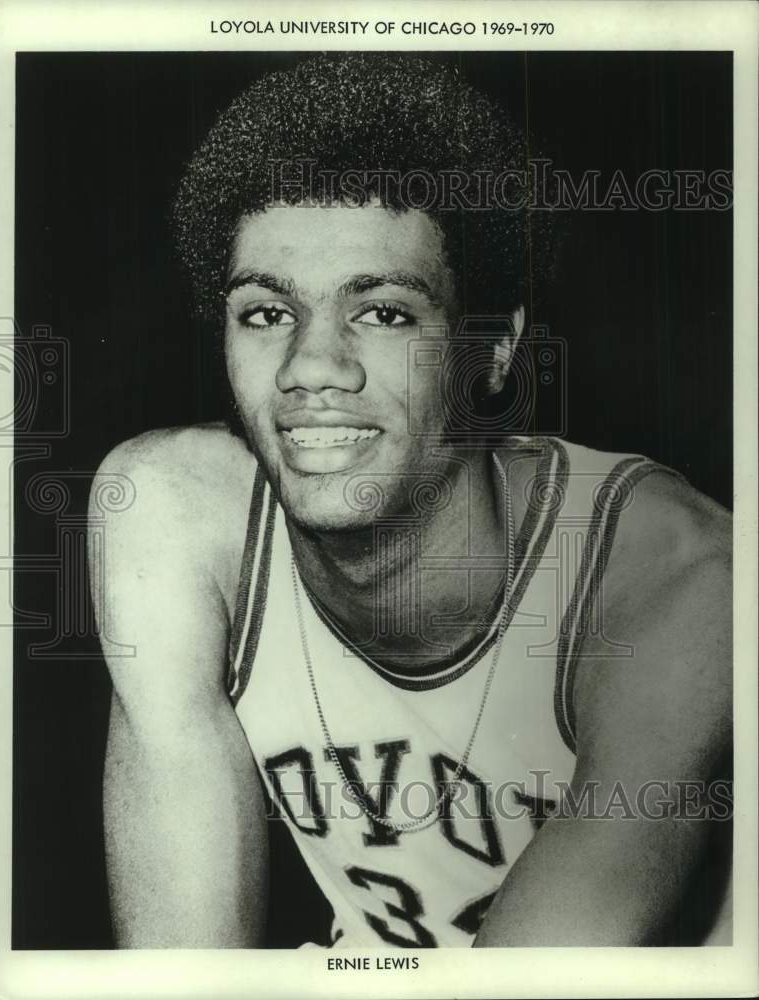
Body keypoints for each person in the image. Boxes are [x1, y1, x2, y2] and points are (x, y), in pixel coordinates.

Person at [89, 53, 732, 949]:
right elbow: (179, 973)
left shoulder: (674, 576)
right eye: (266, 313)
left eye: (384, 312)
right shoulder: (174, 514)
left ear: (489, 351)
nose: (313, 366)